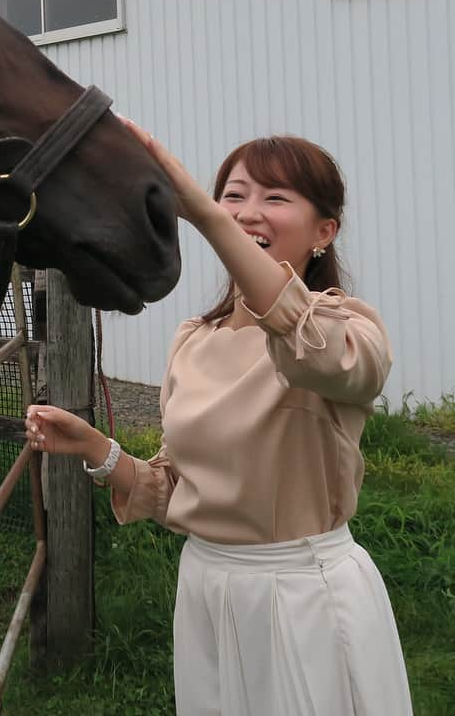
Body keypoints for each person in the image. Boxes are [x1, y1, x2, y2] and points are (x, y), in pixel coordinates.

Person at [26, 123, 413, 716]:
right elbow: (179, 489)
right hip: (205, 586)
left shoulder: (347, 332)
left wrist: (208, 217)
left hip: (300, 596)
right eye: (234, 194)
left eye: (275, 198)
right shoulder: (195, 340)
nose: (247, 212)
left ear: (324, 231)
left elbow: (304, 343)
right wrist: (96, 449)